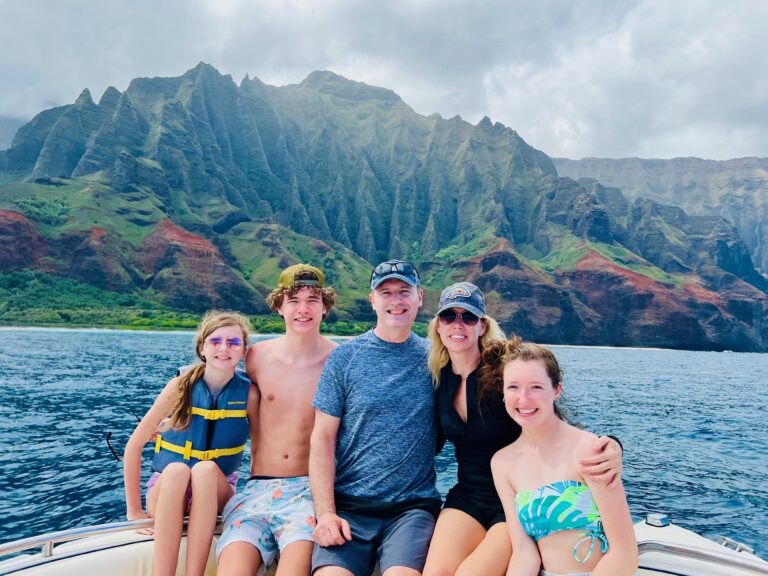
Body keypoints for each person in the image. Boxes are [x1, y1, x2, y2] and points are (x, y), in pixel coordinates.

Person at [423, 282, 624, 576]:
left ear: (482, 325)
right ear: (438, 327)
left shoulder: (502, 370)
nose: (458, 324)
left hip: (516, 498)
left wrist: (613, 445)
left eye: (468, 317)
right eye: (448, 317)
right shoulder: (438, 378)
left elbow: (548, 415)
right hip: (468, 495)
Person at [310, 259, 441, 576]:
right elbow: (322, 438)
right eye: (386, 293)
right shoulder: (345, 356)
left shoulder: (437, 358)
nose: (396, 301)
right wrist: (326, 514)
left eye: (404, 291)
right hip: (349, 507)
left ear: (419, 297)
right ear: (373, 300)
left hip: (412, 508)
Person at [216, 264, 338, 576]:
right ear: (279, 307)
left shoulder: (339, 360)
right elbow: (216, 392)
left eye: (313, 300)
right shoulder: (256, 357)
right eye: (294, 300)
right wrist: (173, 422)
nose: (303, 309)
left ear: (325, 307)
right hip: (257, 488)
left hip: (309, 492)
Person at [486, 337, 638, 576]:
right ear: (503, 393)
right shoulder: (503, 463)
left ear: (556, 390)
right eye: (513, 387)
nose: (523, 399)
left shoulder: (590, 450)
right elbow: (524, 553)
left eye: (536, 387)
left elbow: (624, 554)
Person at [123, 311, 258, 576]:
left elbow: (265, 448)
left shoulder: (249, 393)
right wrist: (134, 511)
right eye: (215, 341)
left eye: (233, 342)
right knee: (176, 470)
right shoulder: (179, 387)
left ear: (243, 351)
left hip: (216, 490)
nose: (223, 348)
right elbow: (134, 446)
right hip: (166, 489)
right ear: (202, 347)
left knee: (205, 469)